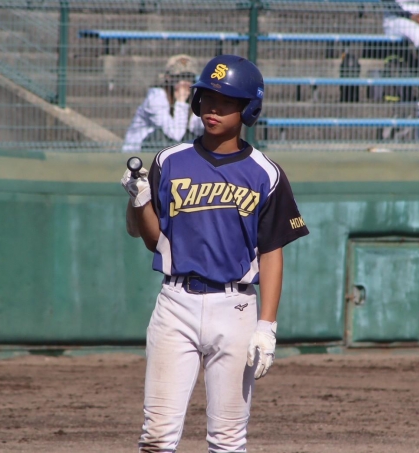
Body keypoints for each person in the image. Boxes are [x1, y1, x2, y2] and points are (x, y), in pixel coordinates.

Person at [120, 54, 310, 452]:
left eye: (226, 102)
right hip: (176, 303)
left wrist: (267, 325)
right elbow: (153, 240)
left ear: (248, 109)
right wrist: (139, 200)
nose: (213, 108)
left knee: (228, 439)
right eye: (207, 98)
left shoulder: (266, 172)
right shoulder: (169, 161)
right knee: (156, 436)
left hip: (235, 308)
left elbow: (272, 252)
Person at [122, 54, 204, 152]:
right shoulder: (155, 97)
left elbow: (196, 128)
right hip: (138, 151)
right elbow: (175, 134)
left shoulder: (194, 96)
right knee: (160, 135)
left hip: (166, 147)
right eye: (180, 78)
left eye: (189, 78)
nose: (185, 83)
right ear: (168, 78)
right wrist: (181, 103)